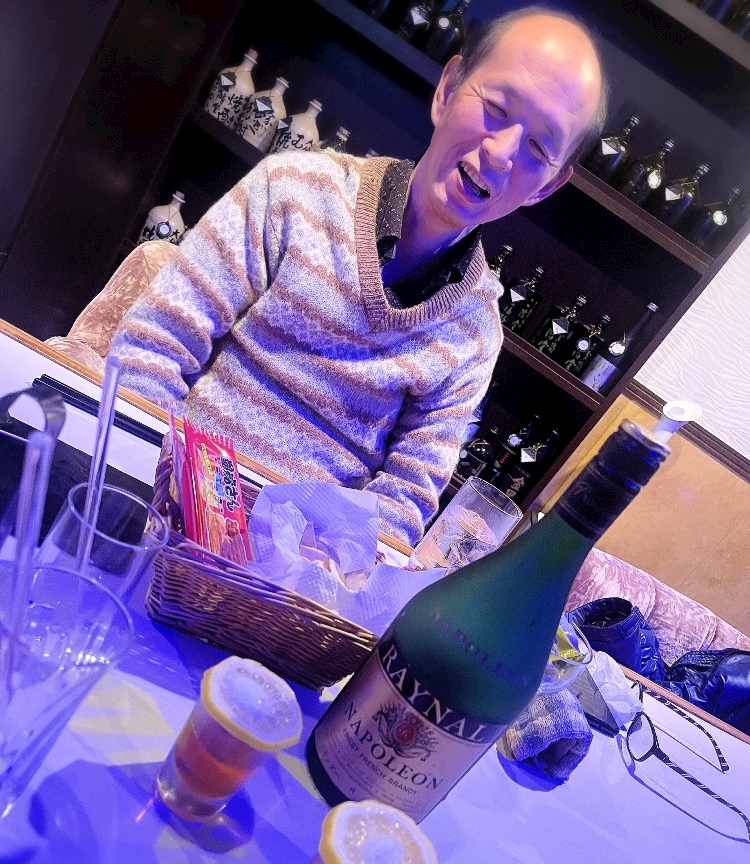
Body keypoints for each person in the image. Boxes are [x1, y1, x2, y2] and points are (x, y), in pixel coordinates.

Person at [110, 6, 605, 546]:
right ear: (447, 90)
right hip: (166, 506)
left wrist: (300, 568)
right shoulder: (294, 188)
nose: (502, 152)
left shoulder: (476, 336)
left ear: (546, 186)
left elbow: (402, 507)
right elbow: (153, 348)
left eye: (538, 148)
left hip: (295, 571)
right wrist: (160, 506)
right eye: (496, 107)